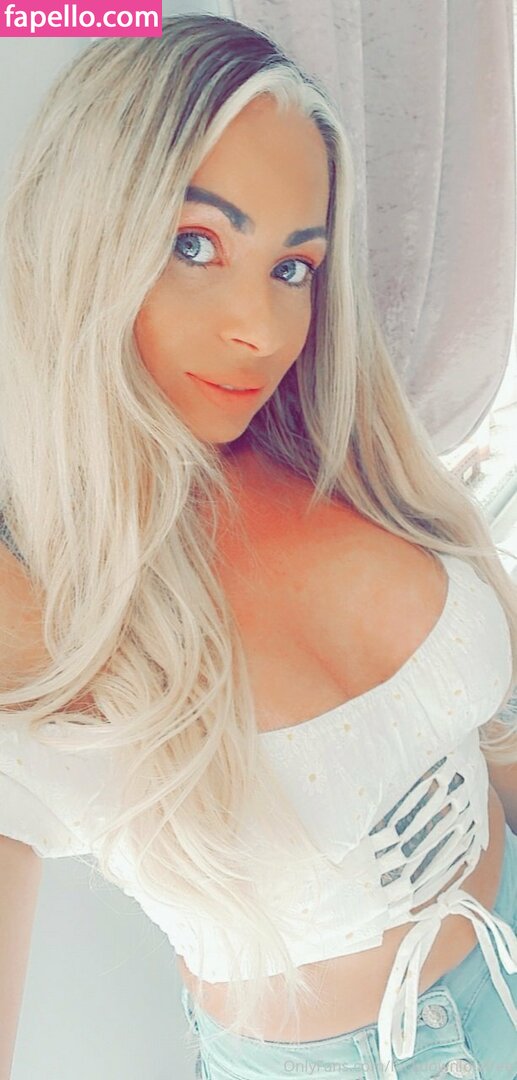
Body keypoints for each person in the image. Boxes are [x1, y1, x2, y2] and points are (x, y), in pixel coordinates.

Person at [0, 14, 516, 1080]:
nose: (263, 330)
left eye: (293, 267)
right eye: (194, 244)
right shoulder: (33, 595)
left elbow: (492, 733)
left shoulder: (343, 453)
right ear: (85, 237)